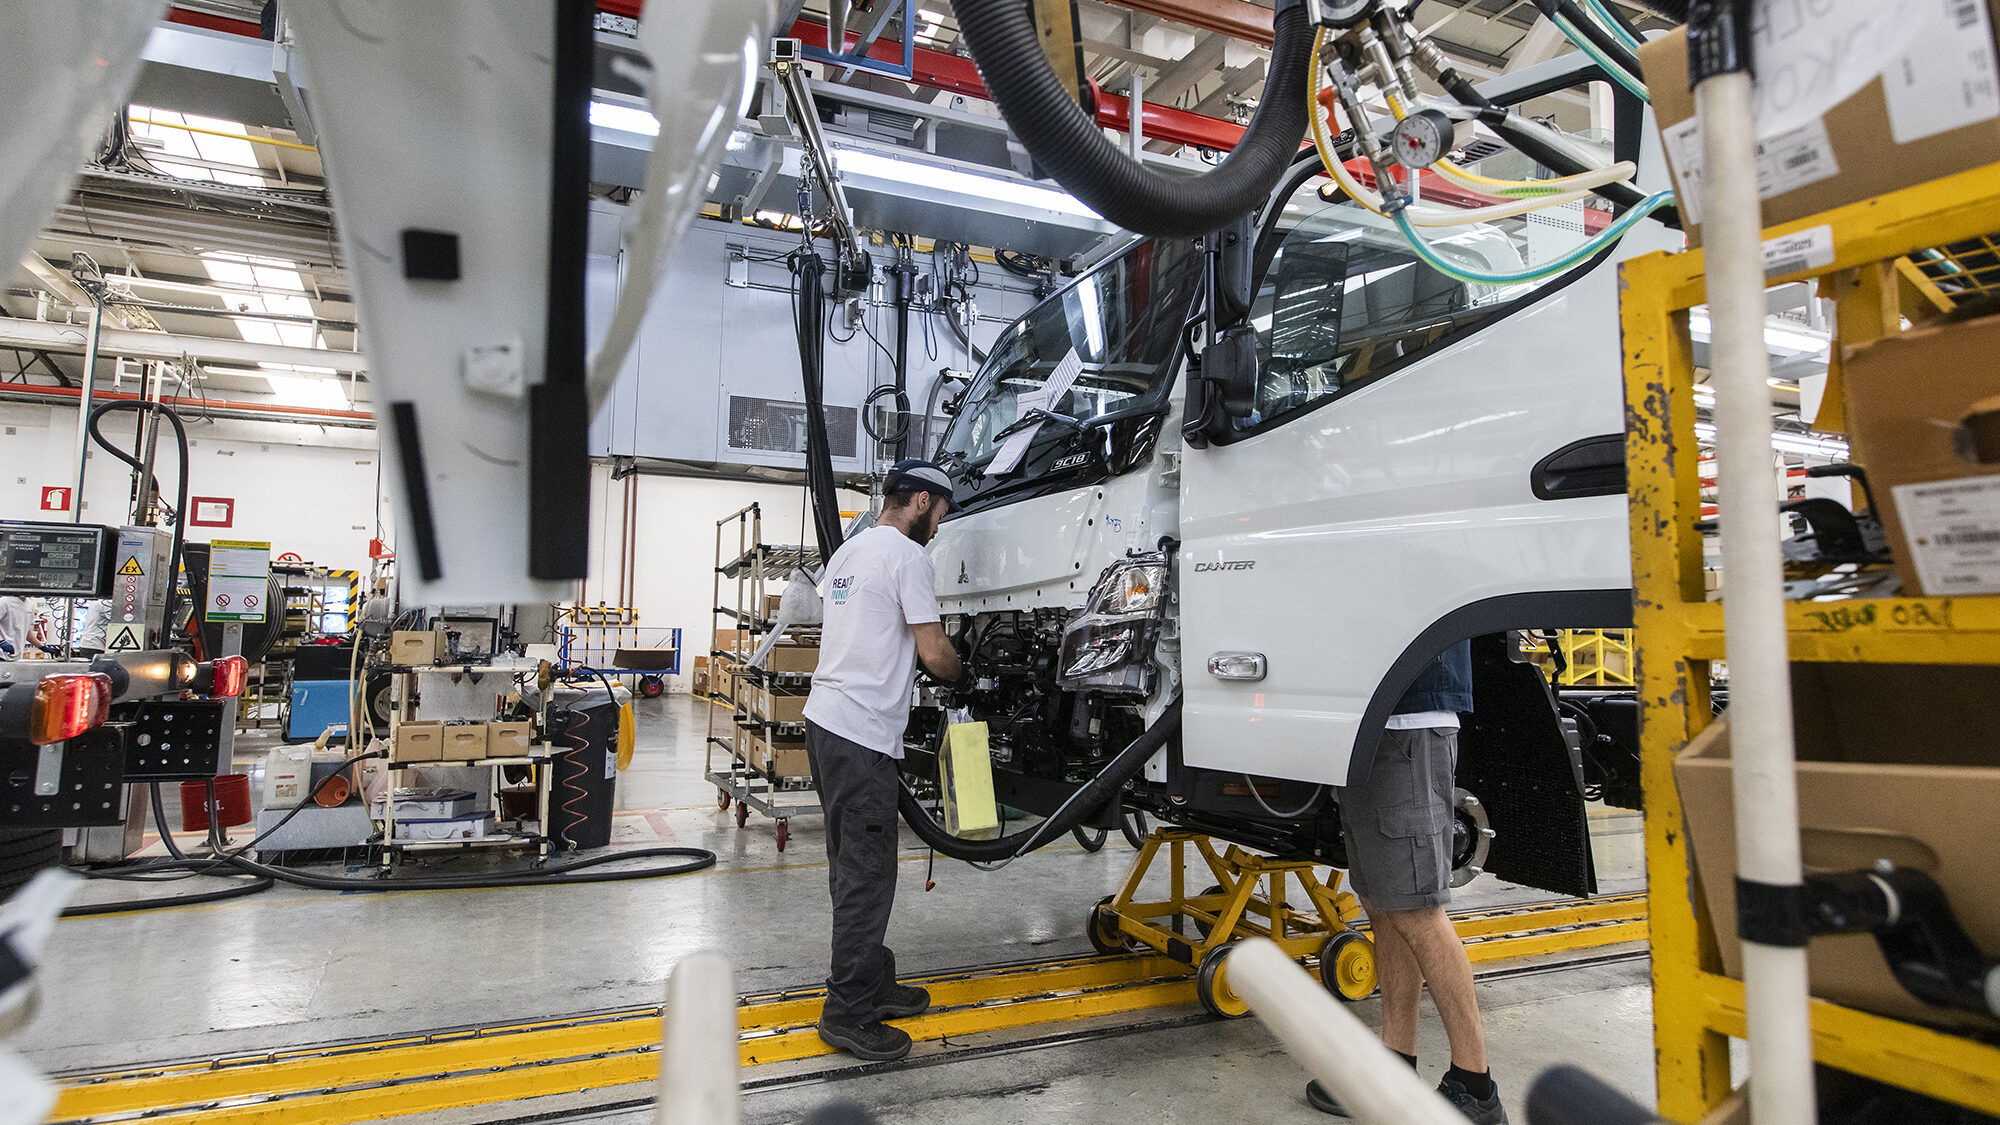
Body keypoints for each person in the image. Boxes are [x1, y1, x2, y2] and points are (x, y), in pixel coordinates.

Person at [803, 459, 967, 1062]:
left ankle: (873, 981)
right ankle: (848, 1011)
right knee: (868, 875)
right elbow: (933, 651)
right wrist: (963, 672)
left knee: (854, 865)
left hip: (827, 722)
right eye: (942, 512)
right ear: (922, 501)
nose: (940, 526)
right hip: (862, 731)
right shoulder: (906, 556)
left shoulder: (850, 551)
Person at [1307, 641, 1506, 1124]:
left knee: (1419, 909)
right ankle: (1394, 1062)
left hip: (1408, 721)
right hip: (1368, 721)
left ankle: (1475, 1086)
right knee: (1382, 903)